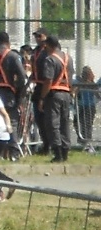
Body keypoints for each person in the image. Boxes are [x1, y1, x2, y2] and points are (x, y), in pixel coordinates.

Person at [34, 35, 74, 163]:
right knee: (64, 122)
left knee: (53, 123)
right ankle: (65, 149)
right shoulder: (68, 58)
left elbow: (48, 80)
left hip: (54, 94)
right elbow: (71, 77)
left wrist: (42, 97)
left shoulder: (50, 59)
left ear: (49, 45)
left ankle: (58, 152)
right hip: (66, 92)